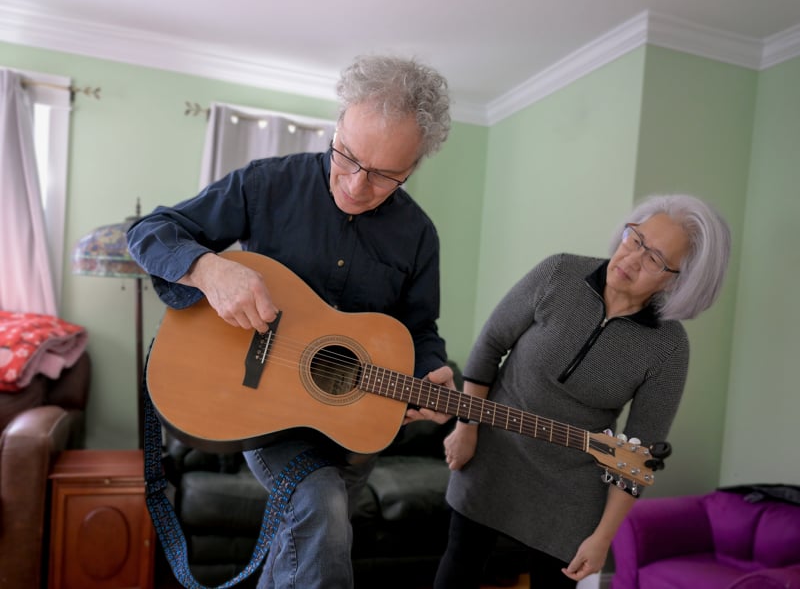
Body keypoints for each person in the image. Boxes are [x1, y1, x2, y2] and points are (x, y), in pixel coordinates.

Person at [127, 54, 456, 589]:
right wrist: (210, 269)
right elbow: (151, 231)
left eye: (381, 175)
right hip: (260, 401)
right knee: (319, 510)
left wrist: (433, 369)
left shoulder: (419, 236)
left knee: (306, 543)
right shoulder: (268, 184)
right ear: (338, 125)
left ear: (413, 167)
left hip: (357, 426)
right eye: (346, 155)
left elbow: (420, 328)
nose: (353, 184)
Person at [433, 194, 731, 589]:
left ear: (679, 281)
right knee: (458, 570)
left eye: (655, 259)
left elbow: (638, 456)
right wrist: (466, 427)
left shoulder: (669, 348)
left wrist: (602, 537)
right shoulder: (559, 273)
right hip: (493, 449)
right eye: (635, 239)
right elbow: (490, 344)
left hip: (571, 488)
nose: (631, 258)